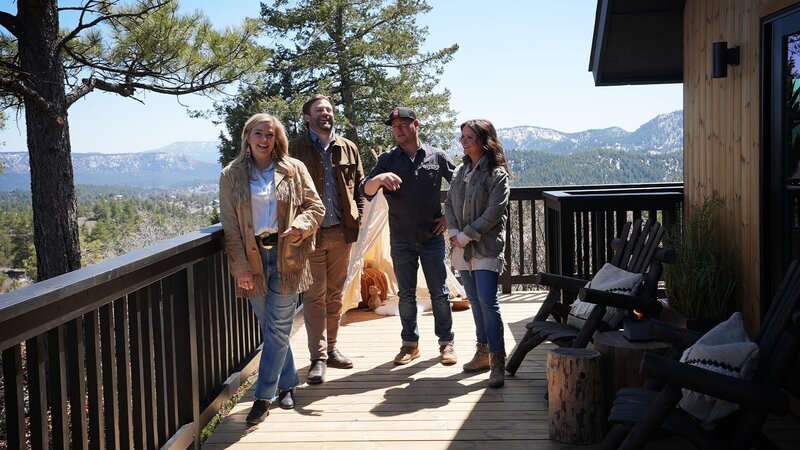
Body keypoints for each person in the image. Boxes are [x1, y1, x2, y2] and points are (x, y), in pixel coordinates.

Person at [219, 113, 324, 425]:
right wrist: (240, 267)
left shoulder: (294, 168)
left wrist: (301, 225)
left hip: (287, 256)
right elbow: (230, 227)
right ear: (247, 137)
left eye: (270, 134)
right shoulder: (231, 174)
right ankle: (288, 383)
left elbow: (316, 207)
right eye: (259, 133)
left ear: (277, 139)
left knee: (277, 327)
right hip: (252, 260)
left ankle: (262, 397)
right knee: (272, 328)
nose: (265, 139)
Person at [360, 106, 457, 366]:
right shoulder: (388, 159)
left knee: (440, 293)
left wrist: (449, 217)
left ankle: (446, 343)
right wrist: (380, 177)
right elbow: (366, 190)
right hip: (401, 239)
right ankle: (410, 345)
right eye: (394, 127)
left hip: (431, 237)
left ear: (416, 124)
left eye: (403, 124)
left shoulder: (436, 156)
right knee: (405, 295)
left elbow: (460, 187)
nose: (398, 130)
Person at [289, 94, 365, 384]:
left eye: (329, 109)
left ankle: (332, 349)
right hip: (310, 236)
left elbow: (359, 187)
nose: (326, 113)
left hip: (341, 234)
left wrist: (357, 216)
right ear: (307, 117)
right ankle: (317, 358)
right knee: (314, 297)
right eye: (319, 110)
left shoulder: (348, 147)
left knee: (335, 295)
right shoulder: (295, 148)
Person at [444, 119, 511, 388]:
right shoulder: (461, 171)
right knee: (473, 299)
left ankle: (497, 361)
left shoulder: (497, 174)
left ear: (485, 140)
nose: (463, 141)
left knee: (488, 302)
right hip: (462, 247)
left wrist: (466, 234)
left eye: (469, 137)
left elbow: (494, 213)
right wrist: (453, 230)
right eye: (462, 136)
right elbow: (449, 203)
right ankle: (482, 352)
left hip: (485, 246)